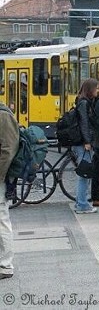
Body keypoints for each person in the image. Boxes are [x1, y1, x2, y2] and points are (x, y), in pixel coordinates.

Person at [73, 78, 99, 214]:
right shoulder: (84, 103)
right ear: (90, 89)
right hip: (84, 144)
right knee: (85, 175)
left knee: (83, 173)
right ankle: (82, 205)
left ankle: (80, 202)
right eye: (96, 88)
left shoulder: (82, 101)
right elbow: (84, 123)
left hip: (82, 142)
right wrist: (87, 141)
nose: (98, 90)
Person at [0, 101, 19, 280]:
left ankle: (5, 266)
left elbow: (8, 149)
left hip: (1, 178)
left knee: (2, 220)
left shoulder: (3, 114)